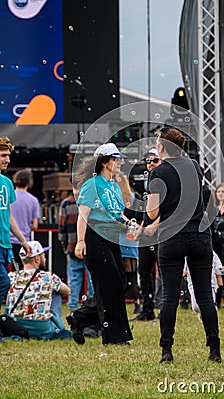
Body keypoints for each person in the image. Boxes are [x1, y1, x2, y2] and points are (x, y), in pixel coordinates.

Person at [146, 126, 221, 363]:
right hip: (200, 235)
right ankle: (214, 350)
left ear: (161, 147)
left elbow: (152, 212)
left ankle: (166, 351)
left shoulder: (158, 173)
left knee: (169, 297)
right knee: (205, 296)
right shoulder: (194, 167)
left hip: (172, 236)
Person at [73, 142, 133, 345]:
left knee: (118, 283)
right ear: (105, 162)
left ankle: (80, 318)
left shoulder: (115, 186)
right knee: (109, 284)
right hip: (94, 237)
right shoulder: (92, 184)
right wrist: (81, 241)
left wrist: (127, 222)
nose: (120, 162)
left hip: (112, 236)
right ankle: (115, 337)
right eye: (116, 158)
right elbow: (83, 215)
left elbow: (117, 212)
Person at [6, 240, 71, 340]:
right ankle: (59, 326)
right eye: (43, 255)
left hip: (16, 326)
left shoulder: (11, 277)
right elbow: (67, 291)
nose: (44, 258)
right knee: (58, 293)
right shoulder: (48, 277)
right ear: (37, 258)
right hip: (42, 329)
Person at [0, 137, 31, 310]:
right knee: (4, 282)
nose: (7, 159)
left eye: (9, 156)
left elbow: (9, 216)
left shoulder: (7, 183)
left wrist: (23, 241)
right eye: (3, 155)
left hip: (5, 244)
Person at [133, 147, 162, 321]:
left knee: (164, 273)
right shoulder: (150, 181)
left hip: (162, 232)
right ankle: (147, 309)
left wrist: (155, 225)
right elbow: (147, 210)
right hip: (147, 233)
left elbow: (170, 210)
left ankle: (163, 309)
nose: (150, 164)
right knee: (144, 271)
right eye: (148, 161)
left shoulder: (166, 179)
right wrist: (142, 227)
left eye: (155, 160)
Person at [58, 181, 94, 313]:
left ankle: (72, 305)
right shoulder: (92, 200)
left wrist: (65, 246)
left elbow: (61, 229)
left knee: (73, 279)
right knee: (91, 279)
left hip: (72, 247)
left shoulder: (66, 203)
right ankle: (91, 304)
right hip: (89, 247)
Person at [114, 172, 141, 315]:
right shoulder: (134, 198)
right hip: (132, 239)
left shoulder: (116, 199)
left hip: (119, 238)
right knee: (133, 274)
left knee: (120, 274)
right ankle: (137, 303)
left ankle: (120, 304)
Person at [10, 169, 40, 269]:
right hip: (24, 242)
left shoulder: (9, 197)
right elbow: (35, 225)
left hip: (7, 240)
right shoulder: (33, 200)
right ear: (29, 182)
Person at [185, 251, 224, 320]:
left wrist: (222, 270)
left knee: (209, 305)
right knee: (195, 307)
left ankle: (210, 316)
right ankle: (204, 313)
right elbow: (184, 268)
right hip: (193, 282)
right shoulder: (187, 254)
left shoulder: (213, 254)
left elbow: (218, 268)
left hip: (210, 282)